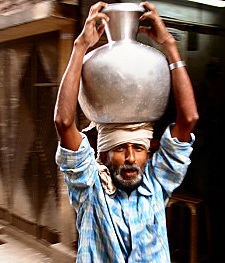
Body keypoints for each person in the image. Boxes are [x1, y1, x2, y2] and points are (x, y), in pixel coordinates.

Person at [54, 1, 198, 262]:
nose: (131, 157)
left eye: (139, 148)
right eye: (120, 148)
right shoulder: (89, 190)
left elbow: (189, 118)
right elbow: (64, 123)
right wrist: (80, 46)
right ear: (104, 154)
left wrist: (170, 46)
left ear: (149, 151)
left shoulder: (157, 185)